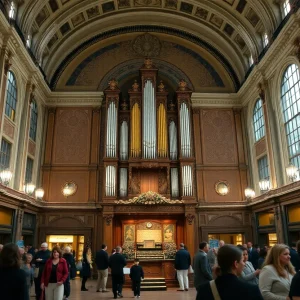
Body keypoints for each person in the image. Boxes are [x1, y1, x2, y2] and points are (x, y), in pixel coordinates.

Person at [196, 245, 263, 300]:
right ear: (236, 264)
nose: (244, 264)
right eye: (242, 261)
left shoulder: (204, 290)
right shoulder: (252, 290)